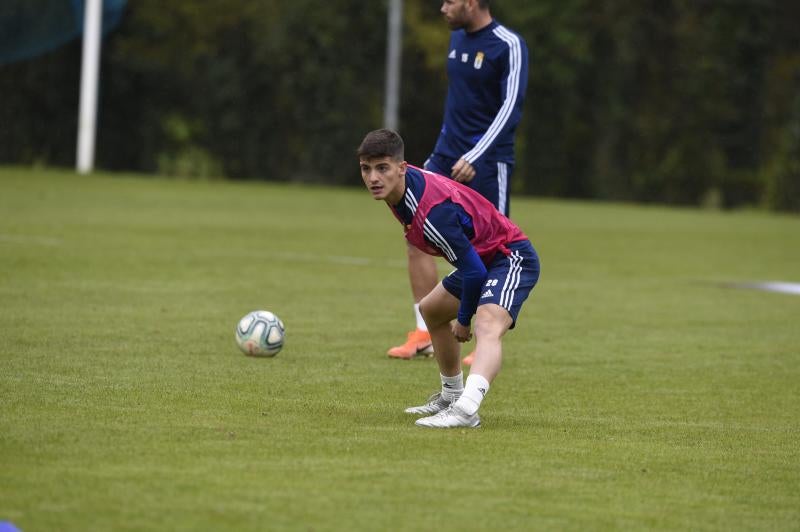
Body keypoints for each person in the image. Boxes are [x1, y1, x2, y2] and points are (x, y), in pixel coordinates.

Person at [358, 129, 540, 428]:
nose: (374, 178)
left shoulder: (432, 215)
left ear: (402, 168)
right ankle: (451, 395)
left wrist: (464, 320)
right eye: (366, 169)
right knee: (432, 310)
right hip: (482, 259)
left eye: (383, 168)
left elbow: (474, 273)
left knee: (486, 324)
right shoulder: (400, 190)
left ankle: (467, 410)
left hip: (509, 257)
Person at [388, 0, 529, 366]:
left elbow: (510, 109)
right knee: (416, 238)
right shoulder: (456, 41)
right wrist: (444, 152)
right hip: (446, 156)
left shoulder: (507, 45)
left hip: (487, 162)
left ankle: (484, 340)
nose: (442, 8)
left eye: (450, 1)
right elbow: (458, 106)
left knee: (492, 251)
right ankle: (424, 330)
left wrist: (476, 156)